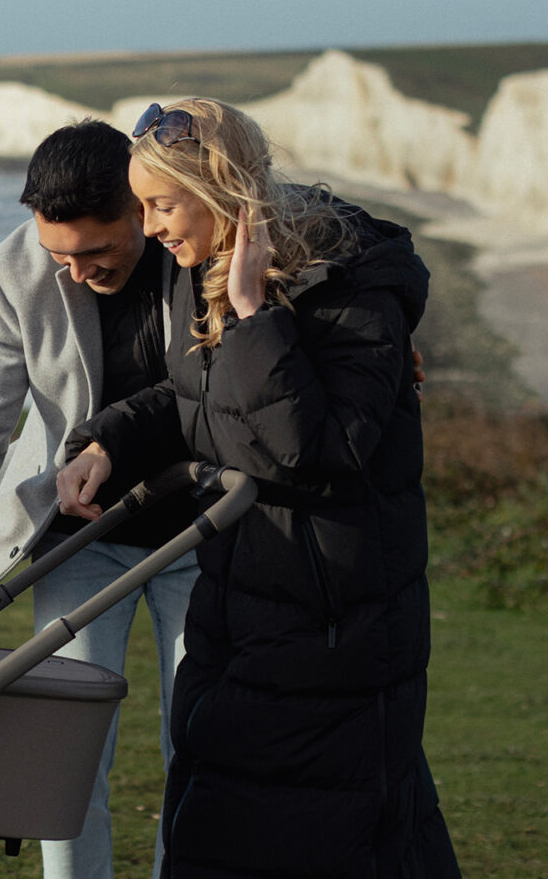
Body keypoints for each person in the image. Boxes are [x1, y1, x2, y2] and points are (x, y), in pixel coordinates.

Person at [57, 98, 459, 878]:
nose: (150, 226)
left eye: (161, 205)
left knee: (331, 834)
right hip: (241, 604)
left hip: (334, 624)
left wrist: (250, 317)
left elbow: (315, 450)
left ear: (221, 192)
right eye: (141, 206)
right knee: (223, 816)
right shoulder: (199, 272)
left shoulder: (347, 286)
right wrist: (108, 442)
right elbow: (194, 401)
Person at [0, 119, 200, 879]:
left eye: (96, 252)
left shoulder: (196, 245)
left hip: (203, 535)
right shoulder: (8, 272)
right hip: (76, 540)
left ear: (142, 210)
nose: (77, 273)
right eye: (60, 256)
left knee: (202, 746)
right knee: (68, 752)